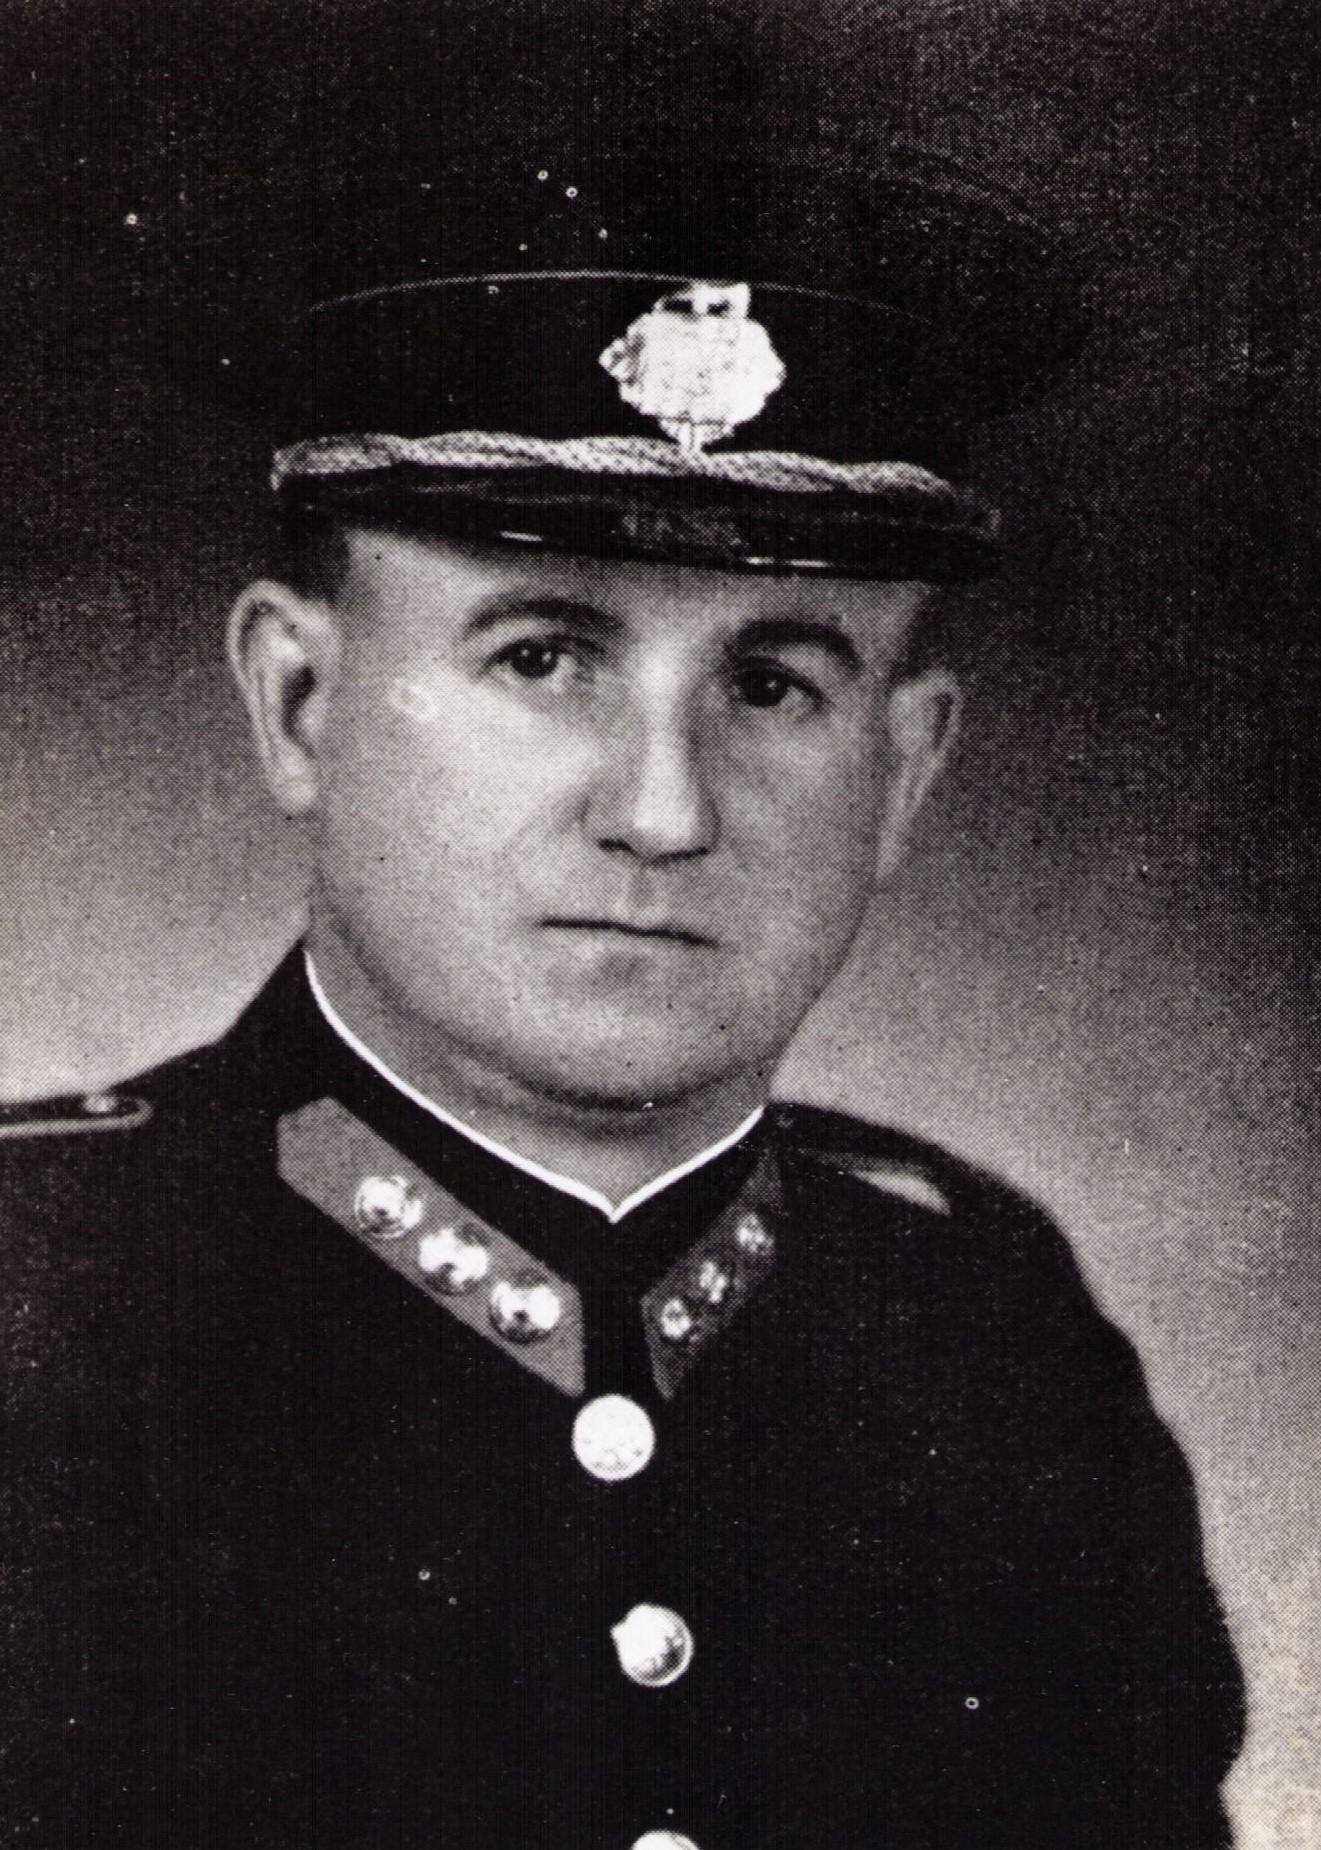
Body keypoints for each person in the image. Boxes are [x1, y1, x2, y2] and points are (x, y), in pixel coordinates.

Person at [0, 141, 1243, 1848]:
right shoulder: (37, 1300)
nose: (662, 809)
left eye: (771, 683)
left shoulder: (991, 1340)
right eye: (542, 656)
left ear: (903, 773)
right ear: (299, 702)